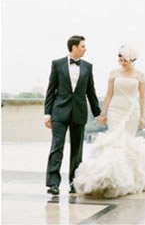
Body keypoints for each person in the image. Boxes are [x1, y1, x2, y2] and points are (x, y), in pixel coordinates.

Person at [73, 45, 145, 198]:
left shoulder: (140, 75)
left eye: (125, 60)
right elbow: (108, 95)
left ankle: (127, 179)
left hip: (131, 111)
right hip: (115, 110)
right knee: (114, 142)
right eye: (120, 60)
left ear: (132, 60)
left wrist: (143, 117)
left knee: (127, 143)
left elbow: (142, 98)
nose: (122, 63)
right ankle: (110, 177)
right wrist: (103, 113)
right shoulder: (113, 73)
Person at [44, 35, 103, 195]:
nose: (85, 49)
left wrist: (98, 113)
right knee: (57, 146)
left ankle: (74, 183)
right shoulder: (57, 64)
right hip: (59, 112)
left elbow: (91, 91)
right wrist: (47, 113)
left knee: (77, 150)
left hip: (79, 112)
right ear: (74, 47)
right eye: (83, 46)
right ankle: (53, 183)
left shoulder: (88, 67)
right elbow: (51, 90)